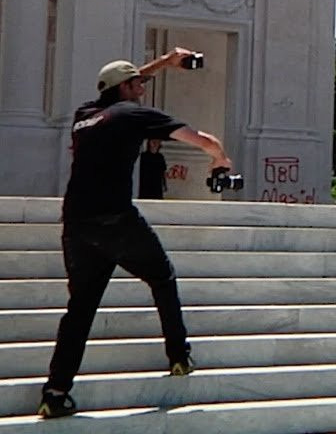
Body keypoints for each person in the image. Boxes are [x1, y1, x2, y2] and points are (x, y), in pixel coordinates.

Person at [38, 49, 235, 419]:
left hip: (77, 225)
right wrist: (219, 156)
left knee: (79, 309)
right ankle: (178, 356)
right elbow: (201, 139)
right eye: (139, 84)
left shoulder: (84, 116)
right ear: (127, 87)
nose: (143, 89)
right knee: (162, 276)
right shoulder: (136, 115)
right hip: (116, 220)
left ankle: (55, 391)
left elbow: (116, 90)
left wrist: (162, 62)